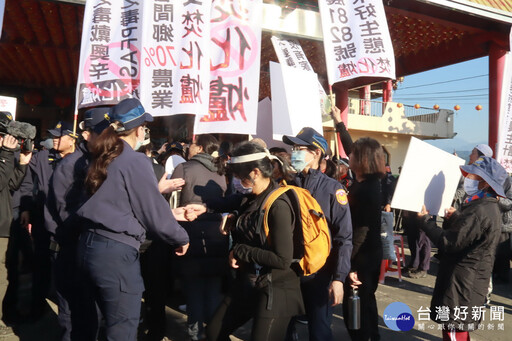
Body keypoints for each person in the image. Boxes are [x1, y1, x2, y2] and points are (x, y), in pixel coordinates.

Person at [74, 98, 191, 341]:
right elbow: (152, 212)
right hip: (115, 254)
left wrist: (169, 215)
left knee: (91, 326)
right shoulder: (135, 160)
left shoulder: (102, 155)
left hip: (88, 246)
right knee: (122, 329)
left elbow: (120, 204)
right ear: (140, 129)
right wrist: (180, 236)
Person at [206, 142, 305, 341]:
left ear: (255, 172)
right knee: (214, 331)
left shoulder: (278, 205)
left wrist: (240, 251)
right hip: (249, 283)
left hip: (276, 290)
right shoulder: (251, 197)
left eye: (238, 176)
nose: (236, 181)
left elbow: (282, 259)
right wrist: (232, 223)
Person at [417, 156, 506, 340]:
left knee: (454, 331)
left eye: (473, 177)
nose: (469, 180)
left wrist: (425, 221)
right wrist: (457, 217)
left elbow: (449, 242)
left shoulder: (480, 210)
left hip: (462, 285)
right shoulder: (487, 208)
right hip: (468, 283)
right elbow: (471, 235)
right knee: (456, 329)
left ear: (484, 184)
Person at [282, 127, 352, 341]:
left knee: (319, 329)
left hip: (319, 273)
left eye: (299, 148)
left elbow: (344, 237)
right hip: (287, 270)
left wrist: (339, 278)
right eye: (293, 148)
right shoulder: (287, 185)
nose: (294, 152)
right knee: (282, 326)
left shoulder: (333, 190)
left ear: (316, 153)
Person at [46, 107, 110, 341]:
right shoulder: (71, 165)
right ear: (86, 134)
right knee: (72, 318)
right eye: (103, 132)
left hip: (94, 251)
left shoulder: (104, 163)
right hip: (71, 248)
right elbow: (66, 213)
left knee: (94, 316)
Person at [171, 134, 228, 341]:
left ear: (200, 147)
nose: (188, 146)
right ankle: (213, 334)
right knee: (213, 290)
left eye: (192, 144)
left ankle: (195, 334)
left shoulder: (184, 168)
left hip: (190, 235)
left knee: (194, 290)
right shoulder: (222, 171)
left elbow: (172, 202)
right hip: (217, 237)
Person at [19, 120, 77, 318]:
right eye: (53, 135)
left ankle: (68, 315)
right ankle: (37, 309)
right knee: (40, 267)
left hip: (69, 225)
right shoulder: (42, 157)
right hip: (43, 221)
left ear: (73, 139)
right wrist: (26, 208)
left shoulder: (81, 160)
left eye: (59, 136)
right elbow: (27, 183)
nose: (55, 140)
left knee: (67, 273)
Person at [342, 137, 386, 341]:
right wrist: (338, 124)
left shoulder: (368, 189)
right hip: (365, 254)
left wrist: (350, 265)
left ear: (362, 159)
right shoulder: (364, 182)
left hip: (363, 257)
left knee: (356, 307)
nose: (348, 155)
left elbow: (361, 232)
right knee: (364, 303)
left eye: (352, 153)